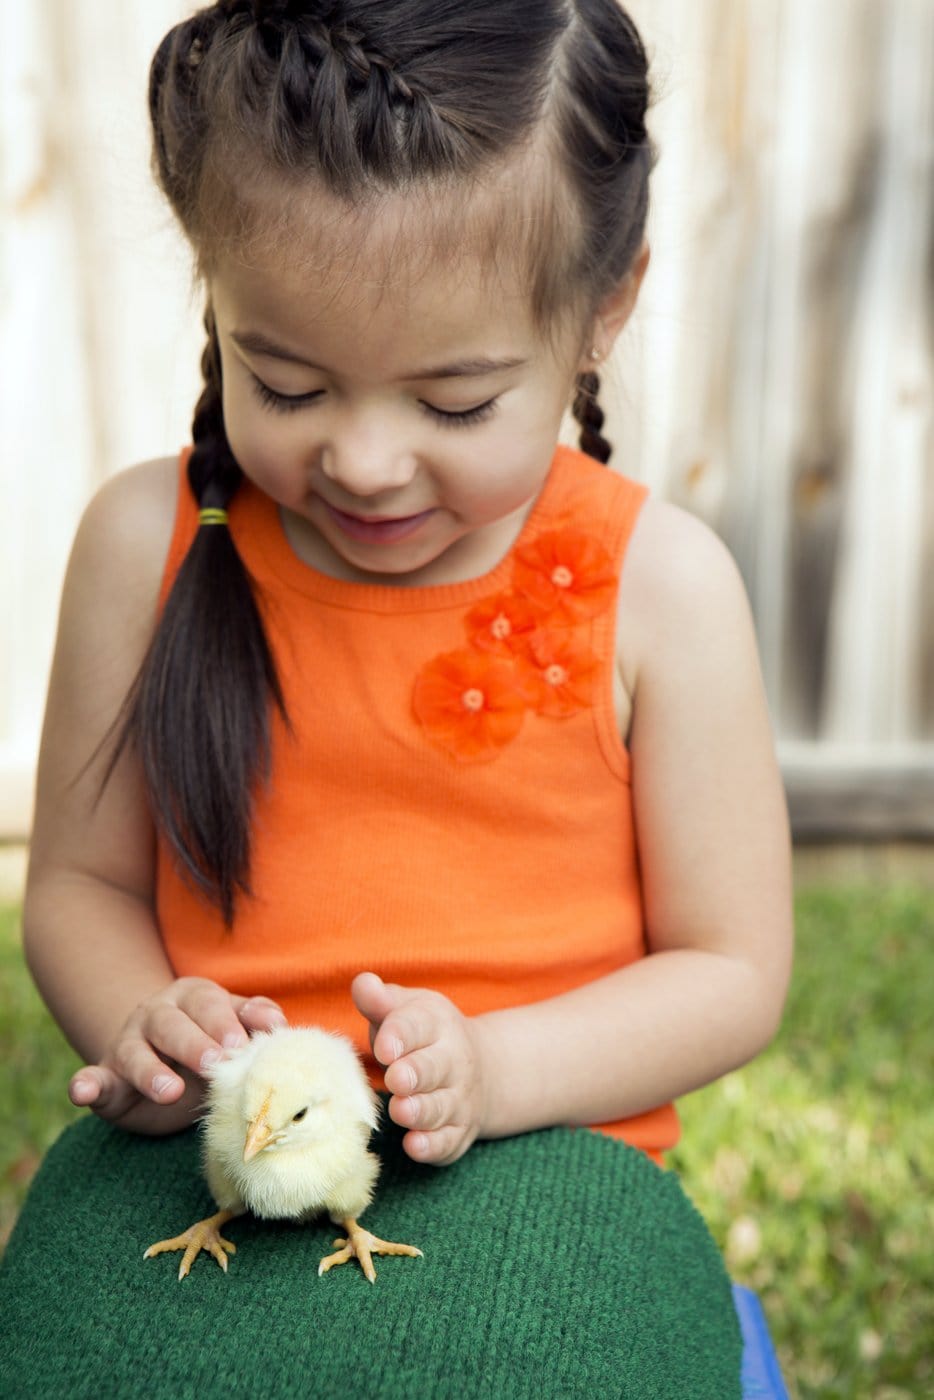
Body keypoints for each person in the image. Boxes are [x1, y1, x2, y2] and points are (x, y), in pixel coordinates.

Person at [23, 0, 793, 1173]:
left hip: (548, 1155)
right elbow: (81, 883)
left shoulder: (661, 588)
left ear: (603, 309)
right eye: (284, 383)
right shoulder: (147, 543)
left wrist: (496, 1069)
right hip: (220, 1149)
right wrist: (147, 1025)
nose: (365, 463)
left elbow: (731, 969)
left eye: (453, 404)